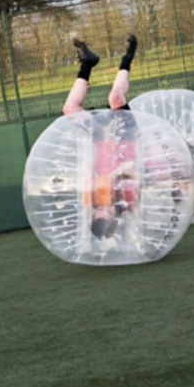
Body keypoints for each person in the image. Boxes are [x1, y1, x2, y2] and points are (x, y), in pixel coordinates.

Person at [63, 35, 139, 239]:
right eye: (105, 214)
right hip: (125, 139)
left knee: (70, 109)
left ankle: (88, 63)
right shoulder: (129, 203)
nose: (101, 210)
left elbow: (89, 170)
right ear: (113, 219)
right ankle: (127, 59)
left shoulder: (93, 201)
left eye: (97, 213)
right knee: (115, 97)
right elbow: (132, 169)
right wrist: (115, 177)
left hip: (100, 140)